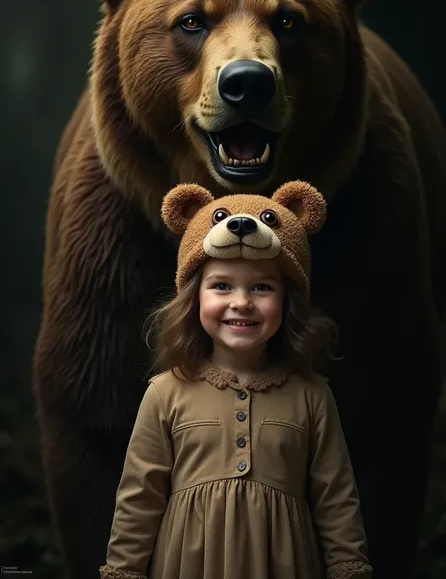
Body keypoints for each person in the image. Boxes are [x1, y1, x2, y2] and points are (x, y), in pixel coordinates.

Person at [99, 180, 372, 579]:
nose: (241, 302)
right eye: (222, 286)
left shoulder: (311, 395)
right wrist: (125, 570)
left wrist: (349, 567)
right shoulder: (166, 393)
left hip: (285, 564)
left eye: (262, 287)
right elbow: (139, 497)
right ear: (194, 298)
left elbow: (337, 497)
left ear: (287, 301)